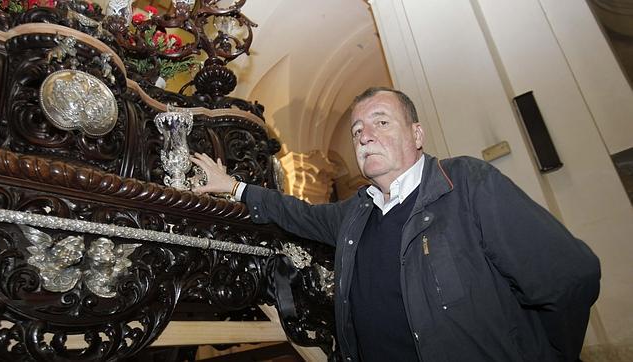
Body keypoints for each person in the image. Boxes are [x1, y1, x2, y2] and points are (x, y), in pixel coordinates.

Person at [190, 87, 600, 362]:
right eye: (356, 130)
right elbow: (297, 213)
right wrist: (235, 187)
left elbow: (570, 277)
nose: (365, 136)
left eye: (381, 122)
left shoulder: (467, 185)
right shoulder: (355, 214)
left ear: (416, 133)